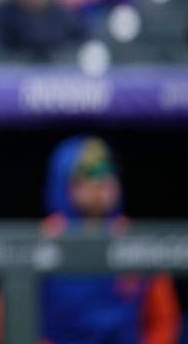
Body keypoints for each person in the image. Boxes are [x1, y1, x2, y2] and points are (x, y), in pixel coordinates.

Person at [41, 136, 182, 344]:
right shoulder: (45, 238)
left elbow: (164, 321)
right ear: (65, 182)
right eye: (89, 172)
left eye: (108, 171)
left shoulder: (135, 239)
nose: (102, 181)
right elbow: (15, 317)